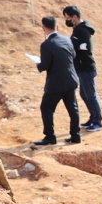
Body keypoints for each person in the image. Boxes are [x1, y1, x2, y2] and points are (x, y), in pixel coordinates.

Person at [32, 15, 80, 146]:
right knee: (73, 108)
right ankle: (76, 136)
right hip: (71, 80)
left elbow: (44, 66)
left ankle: (50, 137)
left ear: (43, 28)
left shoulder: (47, 44)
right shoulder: (66, 39)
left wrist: (38, 63)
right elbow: (73, 56)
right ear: (57, 27)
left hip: (56, 84)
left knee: (46, 108)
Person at [62, 5, 102, 133]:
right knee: (84, 94)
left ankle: (98, 121)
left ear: (74, 17)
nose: (67, 21)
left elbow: (84, 48)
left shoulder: (83, 30)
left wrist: (76, 47)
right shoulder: (77, 29)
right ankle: (92, 117)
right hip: (80, 68)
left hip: (86, 68)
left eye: (68, 18)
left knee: (90, 95)